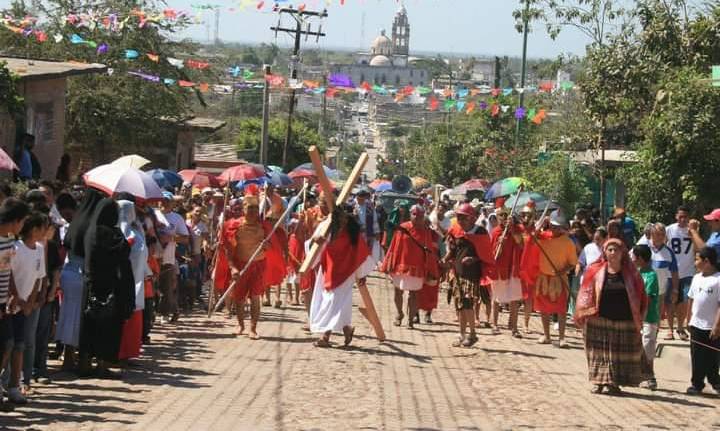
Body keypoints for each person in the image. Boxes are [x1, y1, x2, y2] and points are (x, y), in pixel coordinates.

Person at [575, 239, 648, 395]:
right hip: (598, 319)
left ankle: (614, 383)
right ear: (604, 252)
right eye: (610, 250)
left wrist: (640, 316)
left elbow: (641, 296)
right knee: (598, 353)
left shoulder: (632, 273)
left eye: (616, 250)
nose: (613, 253)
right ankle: (598, 382)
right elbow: (585, 292)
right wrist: (584, 312)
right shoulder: (594, 270)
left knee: (618, 354)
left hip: (624, 320)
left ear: (623, 253)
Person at [79, 199, 135, 378]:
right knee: (107, 328)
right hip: (110, 288)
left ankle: (85, 363)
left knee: (89, 326)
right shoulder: (111, 234)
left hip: (91, 285)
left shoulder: (90, 232)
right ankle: (102, 365)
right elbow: (123, 251)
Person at [308, 205, 376, 347]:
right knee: (333, 303)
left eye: (346, 216)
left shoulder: (353, 233)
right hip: (328, 270)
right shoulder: (326, 229)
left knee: (334, 302)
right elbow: (313, 245)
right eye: (341, 216)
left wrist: (361, 274)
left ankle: (325, 337)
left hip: (346, 273)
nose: (343, 219)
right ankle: (347, 329)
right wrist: (315, 240)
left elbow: (361, 254)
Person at [56, 188, 106, 372]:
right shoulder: (92, 225)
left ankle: (67, 357)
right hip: (81, 273)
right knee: (78, 318)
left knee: (67, 315)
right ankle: (74, 359)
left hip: (68, 272)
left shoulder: (74, 223)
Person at [523, 210, 578, 347]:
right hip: (543, 278)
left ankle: (561, 338)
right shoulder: (542, 237)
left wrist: (562, 271)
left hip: (559, 279)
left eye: (558, 226)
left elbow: (572, 263)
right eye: (553, 225)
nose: (555, 228)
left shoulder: (568, 242)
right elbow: (530, 234)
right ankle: (546, 335)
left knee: (561, 310)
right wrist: (539, 223)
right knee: (544, 309)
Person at [444, 203, 495, 347]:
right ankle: (461, 334)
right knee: (459, 305)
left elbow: (486, 255)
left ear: (472, 218)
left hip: (472, 274)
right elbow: (452, 250)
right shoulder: (455, 230)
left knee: (467, 303)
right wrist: (445, 260)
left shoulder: (480, 232)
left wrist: (474, 259)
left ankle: (472, 334)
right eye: (459, 217)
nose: (460, 220)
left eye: (464, 218)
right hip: (458, 272)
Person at [381, 204, 439, 329]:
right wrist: (389, 264)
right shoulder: (403, 228)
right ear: (410, 214)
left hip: (417, 267)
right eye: (414, 214)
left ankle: (410, 320)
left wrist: (430, 268)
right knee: (398, 292)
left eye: (420, 216)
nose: (417, 218)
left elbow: (429, 251)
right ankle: (399, 314)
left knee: (414, 294)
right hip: (400, 266)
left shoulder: (426, 231)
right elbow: (394, 247)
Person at [226, 187, 271, 339]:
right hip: (240, 264)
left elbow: (271, 245)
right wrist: (232, 268)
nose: (253, 211)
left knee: (255, 297)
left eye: (255, 208)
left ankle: (253, 328)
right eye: (250, 207)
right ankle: (240, 324)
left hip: (258, 264)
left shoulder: (264, 226)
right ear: (243, 208)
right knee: (239, 297)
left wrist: (266, 245)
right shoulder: (234, 225)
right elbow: (228, 250)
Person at [0, 199, 29, 411]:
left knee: (7, 344)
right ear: (15, 220)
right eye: (22, 221)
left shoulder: (9, 242)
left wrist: (14, 294)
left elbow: (6, 271)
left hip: (4, 304)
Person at [117, 200, 149, 362]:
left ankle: (129, 352)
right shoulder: (119, 232)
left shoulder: (136, 231)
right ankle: (119, 353)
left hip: (137, 280)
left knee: (134, 316)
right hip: (125, 281)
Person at [685, 247, 720, 395]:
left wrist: (717, 325)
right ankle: (697, 383)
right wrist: (688, 319)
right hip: (696, 324)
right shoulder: (696, 278)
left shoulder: (718, 280)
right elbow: (691, 299)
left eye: (697, 259)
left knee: (712, 357)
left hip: (711, 326)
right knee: (696, 355)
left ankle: (715, 382)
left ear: (707, 262)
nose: (695, 262)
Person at [155, 192, 189, 323]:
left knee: (166, 287)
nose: (163, 203)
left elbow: (185, 238)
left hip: (167, 257)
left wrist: (171, 238)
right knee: (152, 286)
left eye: (166, 200)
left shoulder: (177, 218)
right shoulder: (153, 214)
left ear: (172, 203)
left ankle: (166, 313)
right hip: (151, 257)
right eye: (161, 200)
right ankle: (161, 311)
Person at [490, 207, 524, 337]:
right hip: (500, 269)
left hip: (513, 269)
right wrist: (500, 244)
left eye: (506, 216)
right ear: (497, 218)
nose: (504, 218)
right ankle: (495, 324)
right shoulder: (495, 232)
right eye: (501, 216)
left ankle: (514, 328)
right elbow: (493, 255)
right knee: (497, 298)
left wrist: (511, 229)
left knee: (514, 299)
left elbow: (521, 244)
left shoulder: (515, 230)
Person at [632, 244, 660, 391]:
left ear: (641, 258)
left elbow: (647, 298)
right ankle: (640, 375)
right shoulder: (636, 273)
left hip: (648, 318)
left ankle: (650, 377)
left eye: (634, 257)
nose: (632, 259)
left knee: (647, 349)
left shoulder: (651, 275)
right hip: (637, 318)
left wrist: (641, 318)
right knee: (638, 348)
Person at [666, 206, 695, 341]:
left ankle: (680, 327)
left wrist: (695, 230)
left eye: (685, 216)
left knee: (684, 301)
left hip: (688, 270)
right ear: (676, 216)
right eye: (680, 216)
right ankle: (670, 329)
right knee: (671, 301)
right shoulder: (669, 229)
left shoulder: (693, 230)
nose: (683, 219)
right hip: (672, 271)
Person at [572, 227, 608, 315]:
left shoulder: (608, 249)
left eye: (598, 239)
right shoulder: (588, 247)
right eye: (595, 238)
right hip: (586, 279)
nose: (596, 241)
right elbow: (580, 262)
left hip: (602, 280)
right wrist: (578, 268)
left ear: (605, 238)